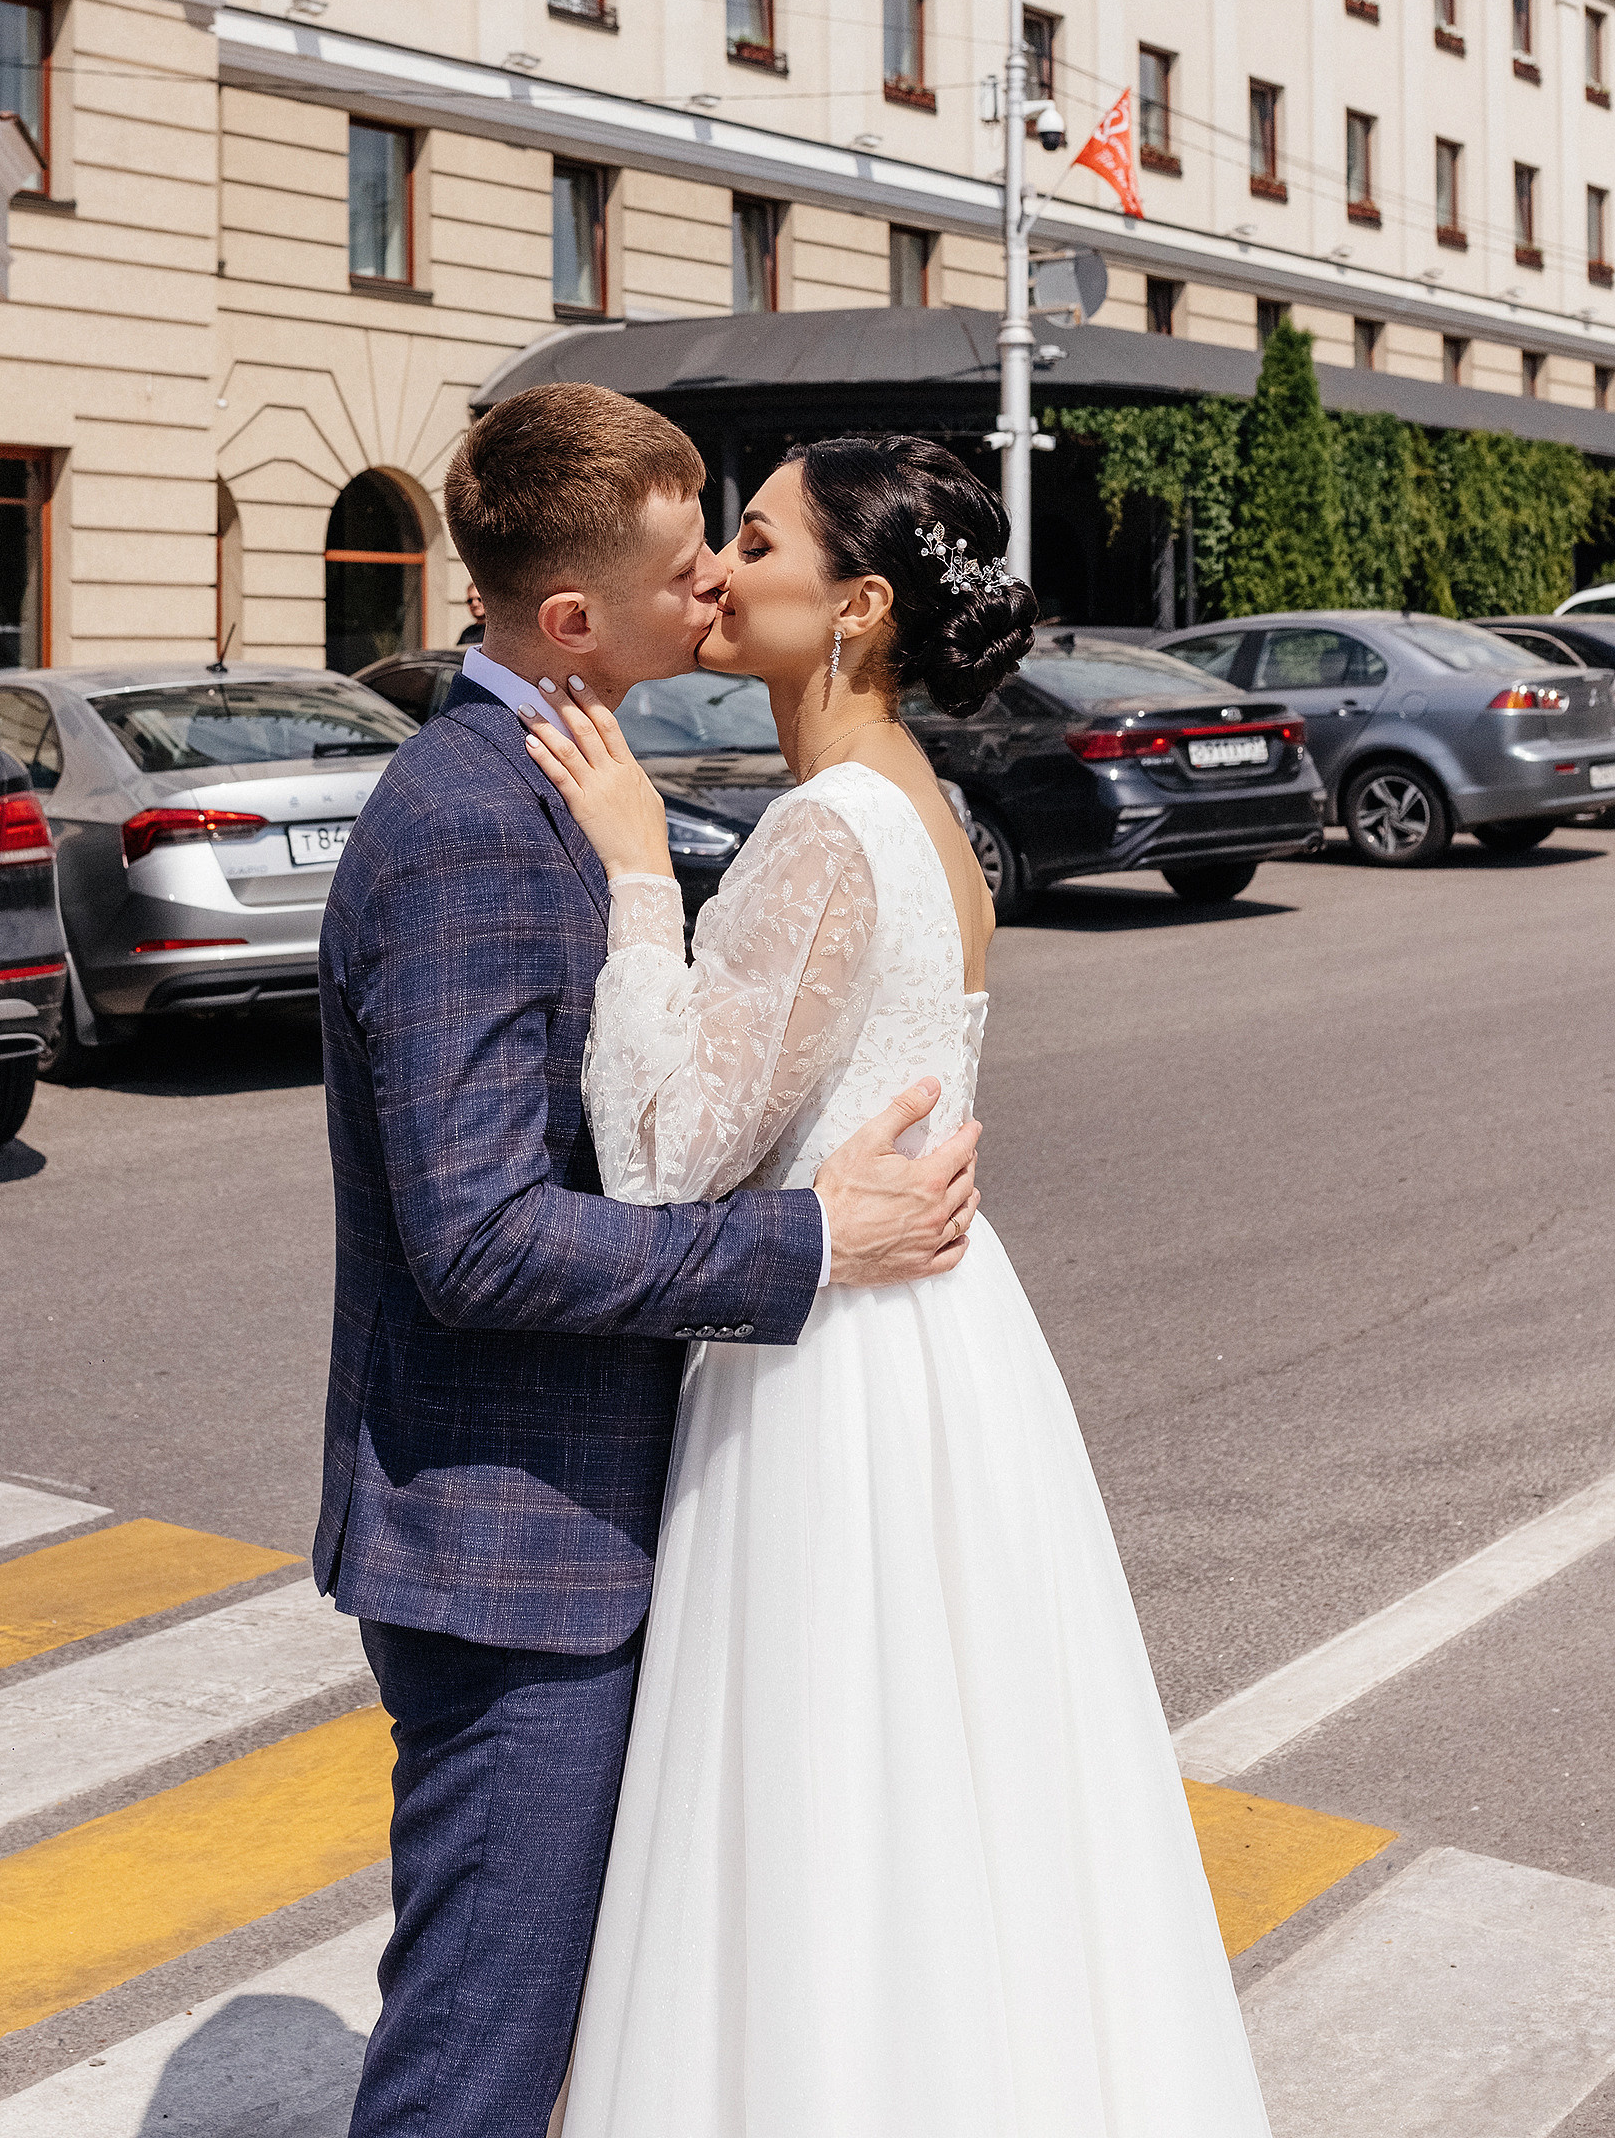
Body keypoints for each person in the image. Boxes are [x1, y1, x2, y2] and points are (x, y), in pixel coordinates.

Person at [524, 433, 1273, 2138]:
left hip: (829, 1366)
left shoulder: (824, 829)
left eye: (755, 539)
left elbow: (658, 1158)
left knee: (822, 1807)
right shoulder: (923, 810)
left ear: (854, 609)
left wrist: (641, 870)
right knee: (960, 1802)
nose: (714, 568)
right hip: (942, 1346)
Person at [316, 386, 984, 2138]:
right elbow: (477, 1242)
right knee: (479, 2060)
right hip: (511, 1549)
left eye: (731, 558)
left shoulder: (582, 788)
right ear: (569, 622)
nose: (710, 599)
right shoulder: (470, 823)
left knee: (583, 2040)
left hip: (601, 1524)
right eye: (691, 569)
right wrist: (815, 1239)